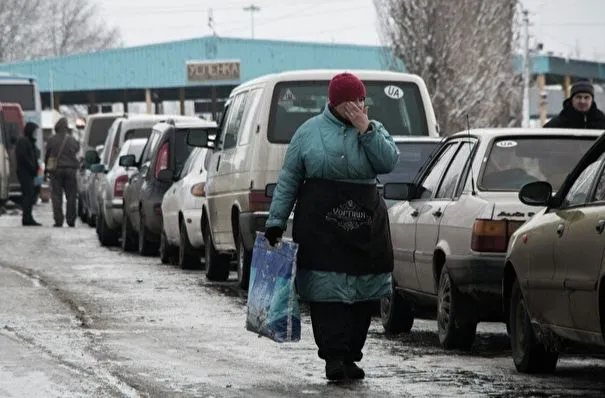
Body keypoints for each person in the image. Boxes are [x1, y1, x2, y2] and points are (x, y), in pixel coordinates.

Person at [264, 72, 399, 381]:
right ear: (335, 103)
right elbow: (289, 180)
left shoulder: (373, 131)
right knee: (328, 294)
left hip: (365, 227)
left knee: (365, 293)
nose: (358, 107)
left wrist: (366, 129)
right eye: (351, 102)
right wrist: (276, 221)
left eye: (362, 101)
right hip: (322, 229)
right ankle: (334, 358)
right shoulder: (308, 133)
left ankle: (352, 355)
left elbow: (388, 162)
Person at [45, 117, 80, 227]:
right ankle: (71, 220)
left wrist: (47, 170)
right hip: (70, 170)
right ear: (66, 128)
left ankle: (58, 220)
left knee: (56, 196)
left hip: (56, 170)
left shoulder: (51, 140)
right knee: (71, 196)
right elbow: (77, 150)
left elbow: (47, 155)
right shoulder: (72, 140)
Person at [15, 122, 42, 226]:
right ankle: (26, 217)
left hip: (29, 173)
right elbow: (24, 157)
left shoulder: (29, 142)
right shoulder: (24, 141)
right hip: (25, 172)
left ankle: (28, 216)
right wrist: (32, 167)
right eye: (34, 131)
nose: (36, 133)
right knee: (29, 194)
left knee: (30, 194)